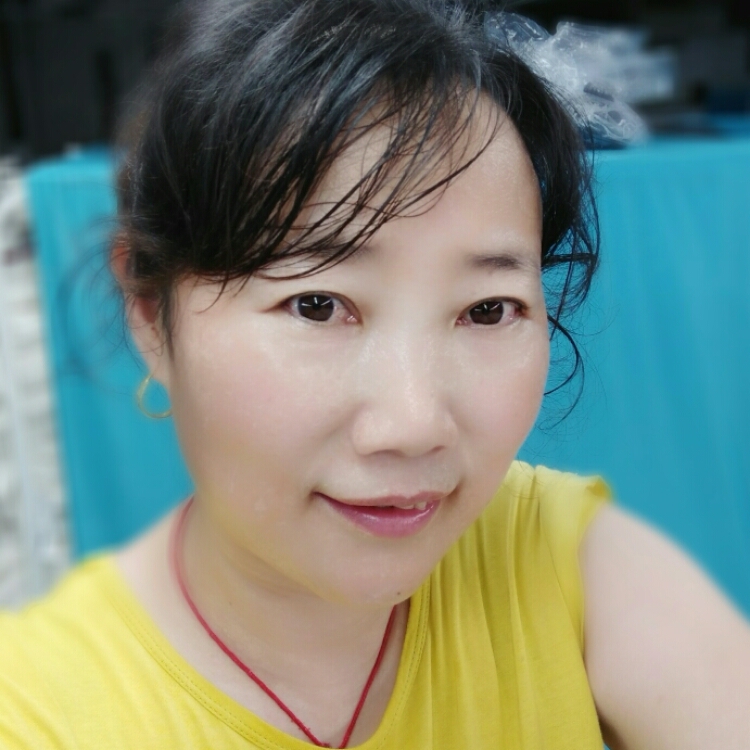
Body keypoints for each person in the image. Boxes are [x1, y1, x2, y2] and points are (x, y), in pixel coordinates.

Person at [2, 1, 749, 748]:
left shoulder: (570, 567)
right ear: (149, 312)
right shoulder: (38, 712)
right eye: (318, 305)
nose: (413, 425)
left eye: (487, 309)